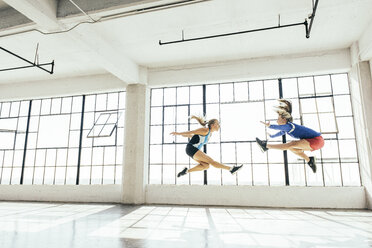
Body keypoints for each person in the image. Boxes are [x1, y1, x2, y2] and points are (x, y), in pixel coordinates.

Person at [255, 99, 324, 173]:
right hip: (315, 142)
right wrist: (272, 136)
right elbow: (280, 132)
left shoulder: (290, 126)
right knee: (291, 148)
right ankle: (309, 160)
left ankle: (265, 146)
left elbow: (279, 128)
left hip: (317, 140)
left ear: (284, 119)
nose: (276, 121)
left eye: (278, 119)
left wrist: (270, 126)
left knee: (291, 144)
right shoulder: (287, 128)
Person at [171, 116, 243, 177]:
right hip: (191, 149)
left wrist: (186, 136)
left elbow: (195, 136)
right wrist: (178, 133)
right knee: (211, 161)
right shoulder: (205, 130)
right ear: (212, 125)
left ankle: (186, 171)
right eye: (217, 124)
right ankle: (231, 169)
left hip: (192, 150)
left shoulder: (209, 134)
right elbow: (192, 132)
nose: (219, 125)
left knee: (206, 165)